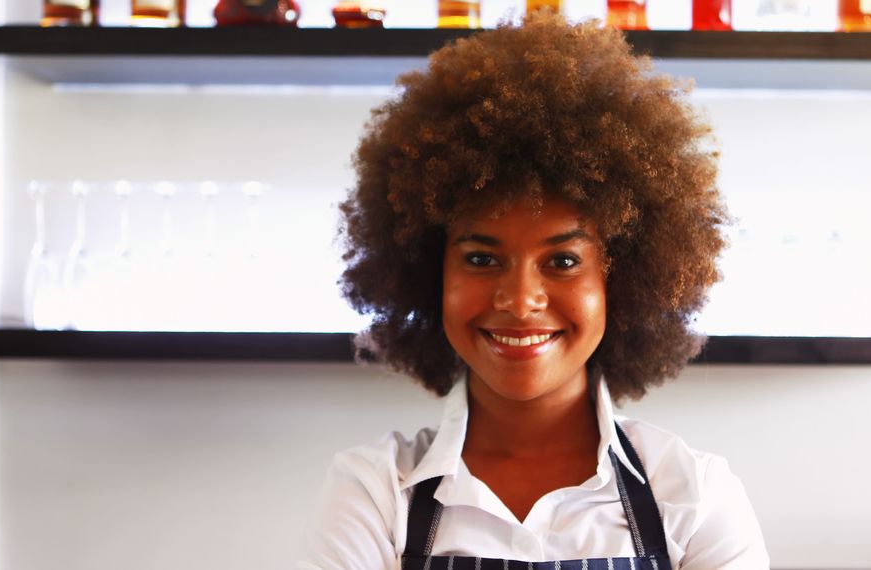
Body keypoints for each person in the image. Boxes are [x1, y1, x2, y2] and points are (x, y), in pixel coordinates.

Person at [299, 12, 769, 570]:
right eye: (481, 259)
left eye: (564, 261)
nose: (520, 301)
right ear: (430, 275)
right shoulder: (374, 492)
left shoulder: (694, 495)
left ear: (622, 279)